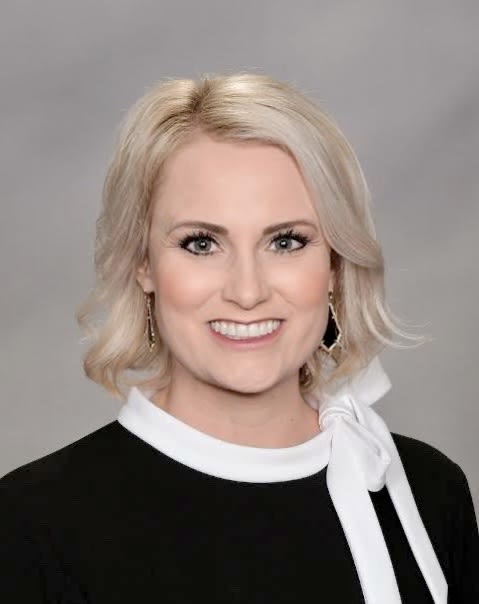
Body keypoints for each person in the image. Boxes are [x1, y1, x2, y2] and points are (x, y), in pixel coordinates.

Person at [0, 72, 477, 603]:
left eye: (286, 241)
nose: (247, 292)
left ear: (336, 264)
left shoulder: (429, 492)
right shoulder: (31, 525)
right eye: (201, 243)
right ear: (143, 264)